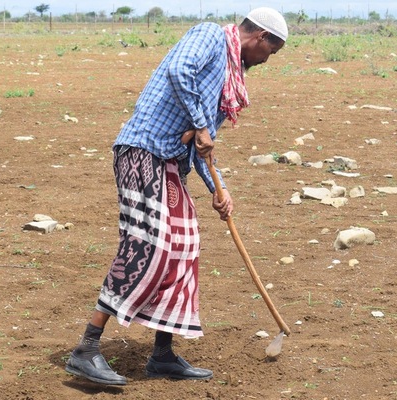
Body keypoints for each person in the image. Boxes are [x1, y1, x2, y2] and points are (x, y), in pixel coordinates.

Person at [65, 7, 288, 386]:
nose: (268, 61)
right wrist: (200, 125)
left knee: (185, 245)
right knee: (149, 245)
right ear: (261, 38)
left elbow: (203, 147)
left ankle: (162, 354)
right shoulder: (210, 36)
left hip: (169, 164)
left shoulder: (230, 78)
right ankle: (86, 348)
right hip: (142, 151)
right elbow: (179, 70)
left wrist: (220, 189)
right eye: (273, 51)